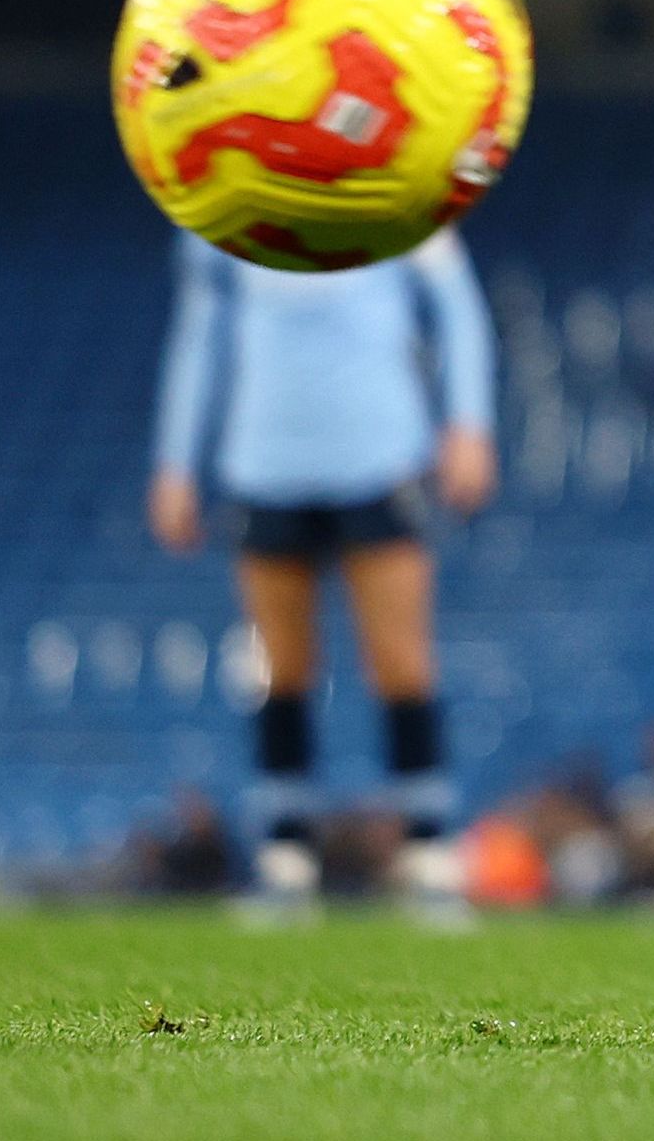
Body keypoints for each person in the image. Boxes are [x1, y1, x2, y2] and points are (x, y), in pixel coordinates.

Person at [148, 221, 495, 911]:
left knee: (401, 661)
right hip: (265, 462)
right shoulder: (226, 203)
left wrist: (469, 421)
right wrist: (175, 463)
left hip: (380, 455)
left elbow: (457, 302)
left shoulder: (393, 186)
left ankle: (428, 850)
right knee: (281, 667)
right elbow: (198, 336)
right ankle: (286, 855)